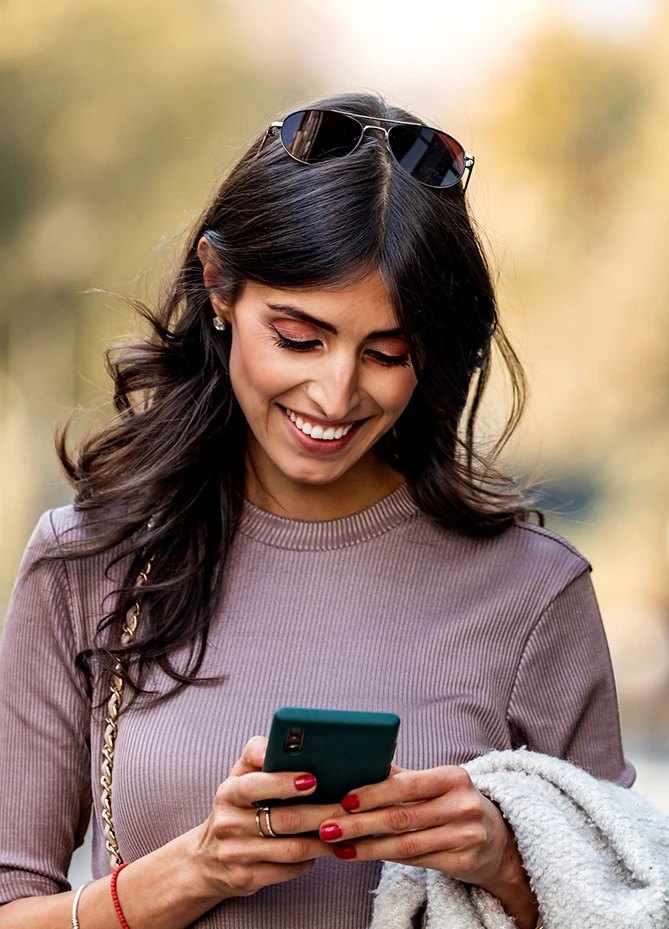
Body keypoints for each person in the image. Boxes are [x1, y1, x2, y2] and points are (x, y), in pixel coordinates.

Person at [0, 92, 632, 929]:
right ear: (219, 289)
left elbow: (628, 899)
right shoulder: (86, 562)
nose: (335, 394)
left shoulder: (533, 594)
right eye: (299, 337)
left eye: (387, 352)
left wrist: (507, 861)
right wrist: (194, 869)